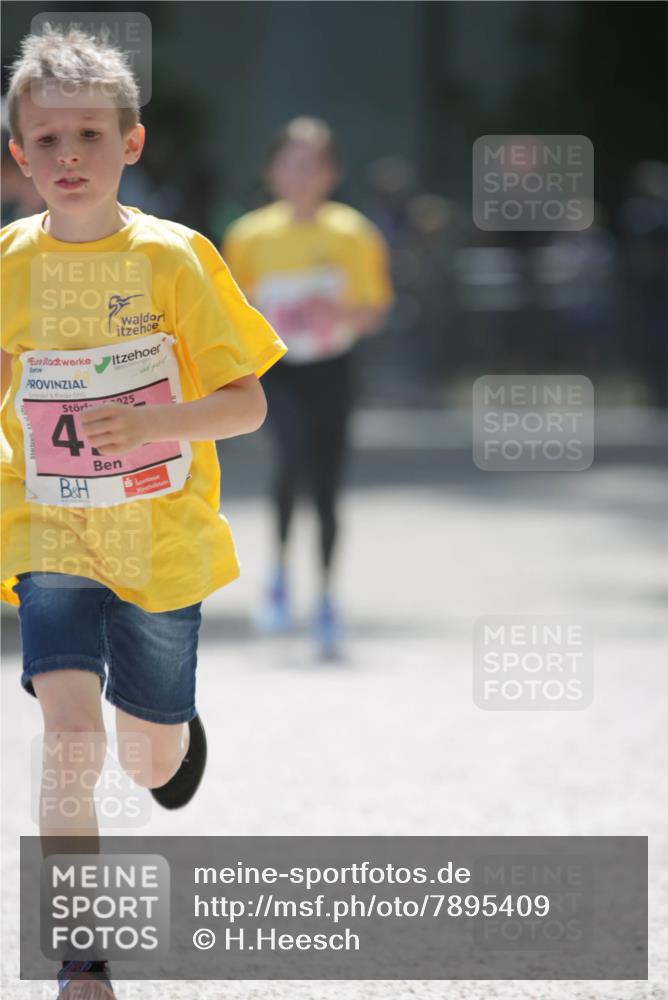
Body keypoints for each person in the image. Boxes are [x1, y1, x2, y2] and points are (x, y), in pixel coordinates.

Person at [0, 25, 286, 997]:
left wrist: (152, 418)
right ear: (17, 154)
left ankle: (170, 733)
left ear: (131, 144)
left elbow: (246, 403)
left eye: (88, 135)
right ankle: (84, 959)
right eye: (46, 140)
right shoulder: (6, 265)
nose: (67, 156)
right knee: (69, 738)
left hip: (159, 542)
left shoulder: (177, 259)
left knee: (143, 752)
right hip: (50, 529)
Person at [223, 117, 393, 657]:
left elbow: (375, 311)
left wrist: (336, 310)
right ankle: (275, 575)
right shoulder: (249, 236)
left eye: (313, 163)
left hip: (334, 366)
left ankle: (325, 598)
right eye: (291, 162)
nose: (301, 174)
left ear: (332, 173)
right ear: (272, 171)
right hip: (279, 373)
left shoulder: (353, 233)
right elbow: (228, 314)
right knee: (292, 458)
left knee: (327, 483)